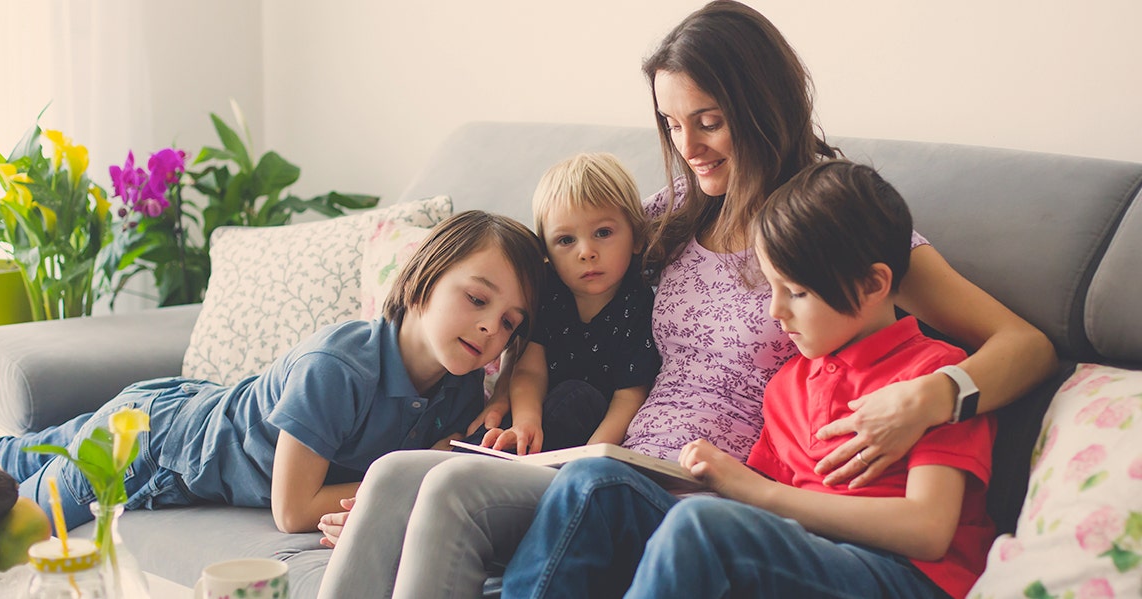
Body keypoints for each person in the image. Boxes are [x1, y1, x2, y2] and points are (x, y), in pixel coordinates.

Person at [315, 2, 1055, 597]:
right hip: (619, 457)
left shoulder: (830, 234)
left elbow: (1026, 344)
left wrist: (931, 397)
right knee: (399, 478)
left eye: (709, 120)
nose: (689, 144)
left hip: (695, 483)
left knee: (479, 493)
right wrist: (515, 388)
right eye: (673, 123)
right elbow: (555, 271)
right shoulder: (672, 211)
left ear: (762, 107)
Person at [502, 159, 997, 599]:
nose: (776, 312)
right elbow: (761, 519)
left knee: (703, 525)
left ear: (874, 284)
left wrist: (756, 493)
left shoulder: (932, 374)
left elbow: (930, 530)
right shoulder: (788, 386)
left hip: (905, 576)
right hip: (799, 555)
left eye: (796, 293)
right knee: (595, 481)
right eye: (771, 289)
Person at [0, 210, 546, 532]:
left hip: (200, 405)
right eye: (476, 299)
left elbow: (521, 385)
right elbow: (294, 510)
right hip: (148, 445)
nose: (489, 329)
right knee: (10, 519)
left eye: (508, 322)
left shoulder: (461, 387)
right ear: (424, 278)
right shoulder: (338, 368)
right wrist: (402, 481)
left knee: (10, 450)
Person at [473, 152, 661, 455]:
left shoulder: (640, 301)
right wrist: (525, 422)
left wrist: (590, 456)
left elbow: (630, 395)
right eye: (566, 240)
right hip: (532, 406)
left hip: (593, 425)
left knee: (576, 395)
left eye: (603, 233)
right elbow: (530, 371)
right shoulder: (549, 290)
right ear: (546, 252)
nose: (586, 252)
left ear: (636, 238)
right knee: (492, 426)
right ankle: (463, 458)